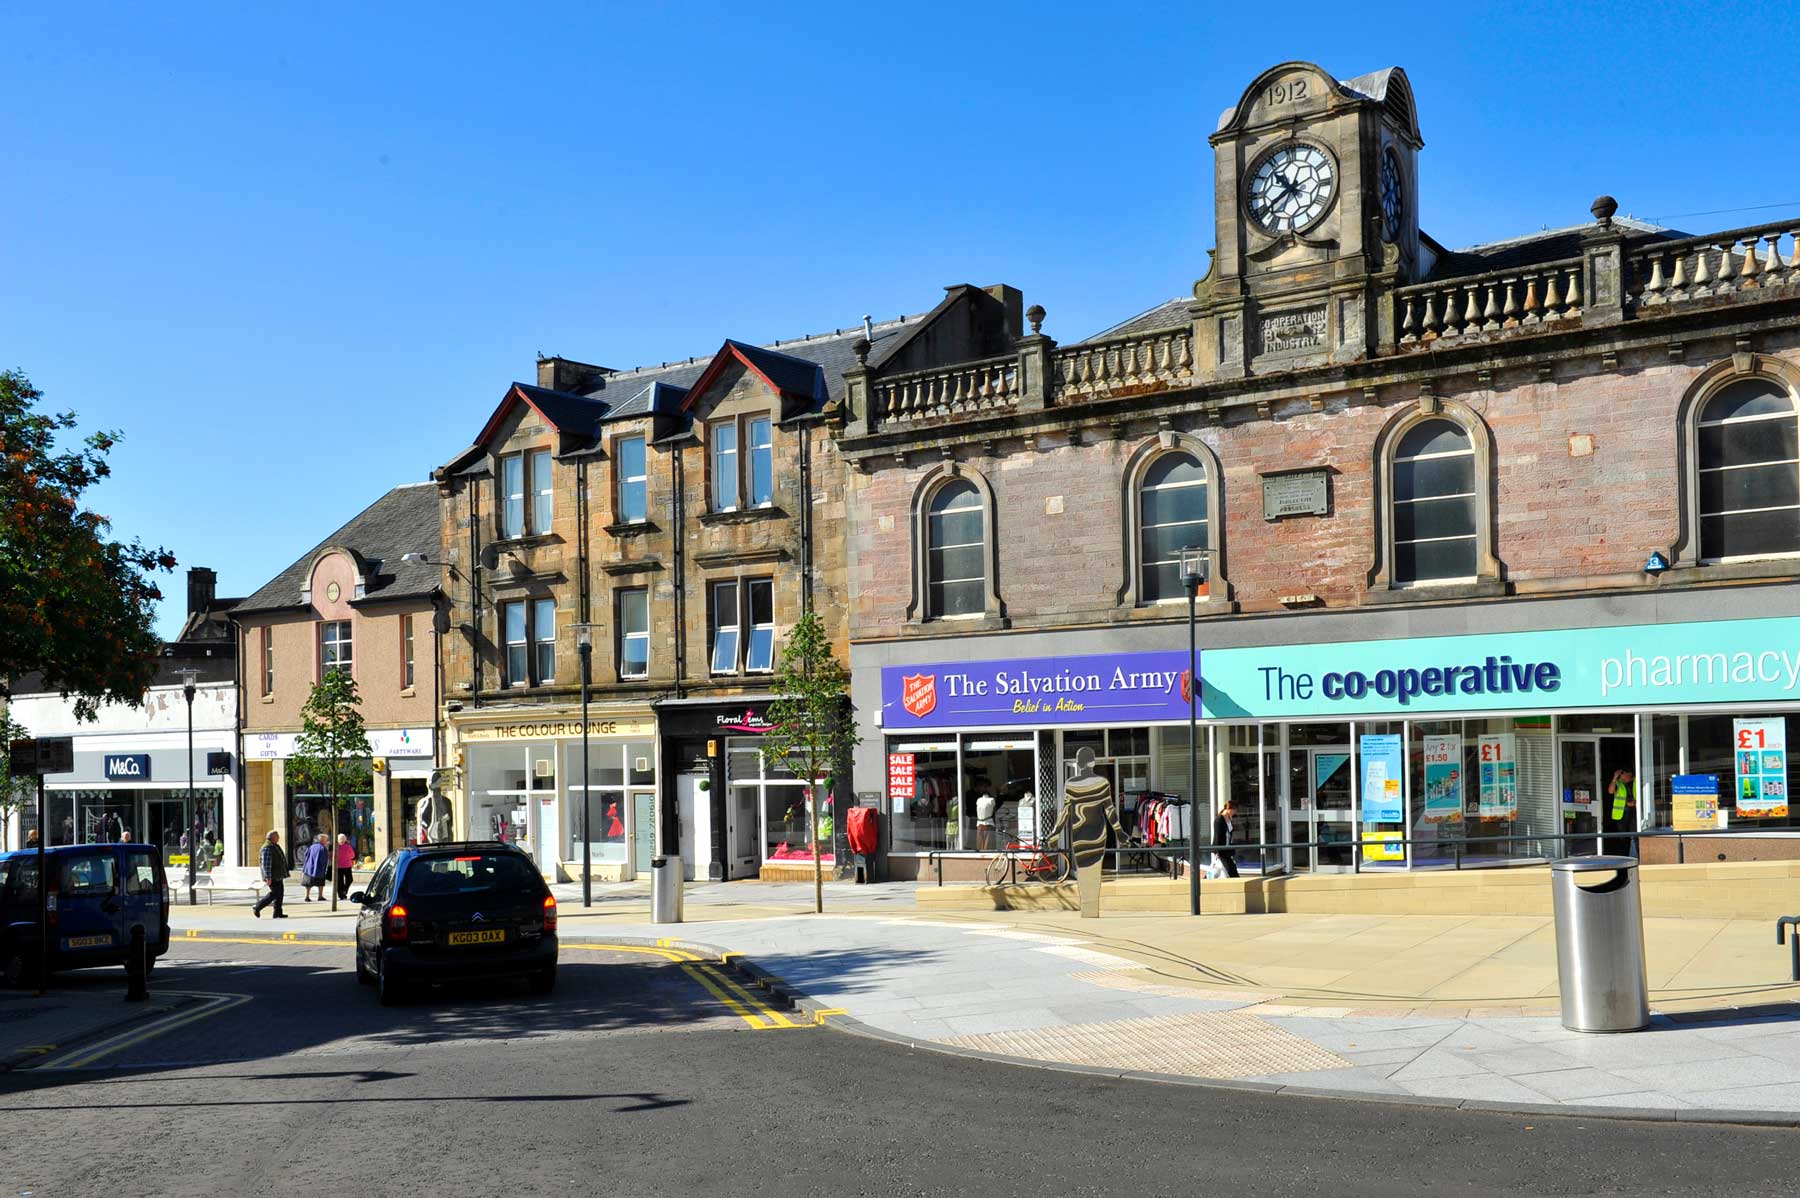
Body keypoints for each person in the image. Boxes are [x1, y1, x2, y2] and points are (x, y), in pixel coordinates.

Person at [253, 831, 288, 919]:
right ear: (272, 838)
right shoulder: (267, 848)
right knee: (275, 893)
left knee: (280, 893)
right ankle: (258, 907)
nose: (279, 838)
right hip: (273, 876)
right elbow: (266, 864)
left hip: (278, 875)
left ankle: (278, 912)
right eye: (277, 836)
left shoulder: (274, 846)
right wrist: (268, 877)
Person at [1212, 799, 1240, 879]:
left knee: (1230, 869)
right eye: (1234, 810)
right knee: (1230, 869)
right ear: (1229, 809)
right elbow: (1217, 835)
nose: (1234, 812)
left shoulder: (1229, 818)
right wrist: (1217, 851)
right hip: (1221, 850)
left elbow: (1229, 833)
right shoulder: (1219, 819)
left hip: (1227, 848)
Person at [301, 833, 329, 901]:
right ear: (322, 840)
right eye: (326, 840)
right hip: (318, 869)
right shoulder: (323, 848)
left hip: (309, 868)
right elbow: (324, 860)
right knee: (320, 883)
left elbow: (306, 855)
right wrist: (325, 868)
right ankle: (320, 896)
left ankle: (307, 896)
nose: (327, 841)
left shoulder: (311, 846)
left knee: (308, 883)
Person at [335, 832, 355, 900]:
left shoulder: (336, 847)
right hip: (347, 866)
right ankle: (344, 891)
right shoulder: (348, 847)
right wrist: (347, 857)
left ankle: (341, 894)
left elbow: (332, 856)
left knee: (339, 881)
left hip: (338, 866)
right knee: (349, 879)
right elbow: (353, 856)